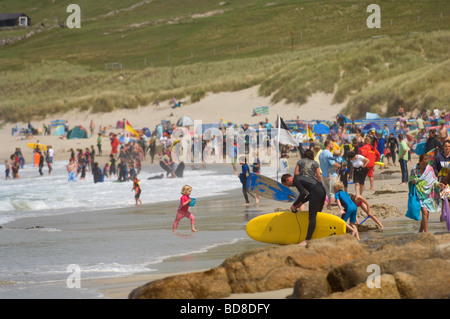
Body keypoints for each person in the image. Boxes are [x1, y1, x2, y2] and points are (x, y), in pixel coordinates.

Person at [281, 171, 326, 247]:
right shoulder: (301, 177)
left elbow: (303, 193)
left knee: (312, 217)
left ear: (288, 179)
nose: (289, 187)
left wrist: (294, 205)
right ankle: (317, 235)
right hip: (322, 191)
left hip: (316, 192)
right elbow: (312, 191)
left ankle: (307, 240)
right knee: (317, 215)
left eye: (287, 185)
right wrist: (302, 202)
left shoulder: (295, 180)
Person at [410, 153, 444, 232]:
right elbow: (411, 179)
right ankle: (426, 233)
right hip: (419, 194)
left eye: (426, 163)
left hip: (428, 194)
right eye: (423, 163)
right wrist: (413, 180)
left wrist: (439, 184)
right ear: (420, 162)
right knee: (425, 212)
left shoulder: (430, 169)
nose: (425, 165)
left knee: (426, 214)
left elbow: (434, 181)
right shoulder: (415, 169)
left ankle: (420, 231)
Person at [318, 140, 341, 206]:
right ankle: (331, 206)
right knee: (332, 192)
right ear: (328, 145)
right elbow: (332, 163)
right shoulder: (329, 153)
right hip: (332, 175)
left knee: (327, 192)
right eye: (332, 144)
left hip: (324, 175)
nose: (333, 146)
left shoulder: (321, 153)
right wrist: (339, 165)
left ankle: (327, 205)